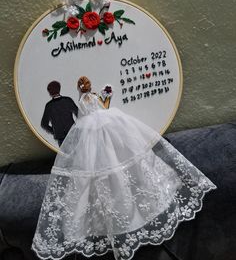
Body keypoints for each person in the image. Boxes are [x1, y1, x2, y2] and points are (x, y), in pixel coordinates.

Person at [32, 76, 217, 260]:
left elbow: (79, 117)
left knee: (101, 167)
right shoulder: (90, 97)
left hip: (91, 132)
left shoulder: (79, 100)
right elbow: (100, 108)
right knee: (119, 158)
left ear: (79, 88)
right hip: (107, 125)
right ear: (89, 87)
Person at [41, 81, 78, 146]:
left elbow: (44, 124)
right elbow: (79, 114)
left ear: (49, 92)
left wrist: (54, 131)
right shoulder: (68, 100)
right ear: (59, 89)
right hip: (73, 133)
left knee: (65, 155)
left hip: (60, 137)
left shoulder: (49, 106)